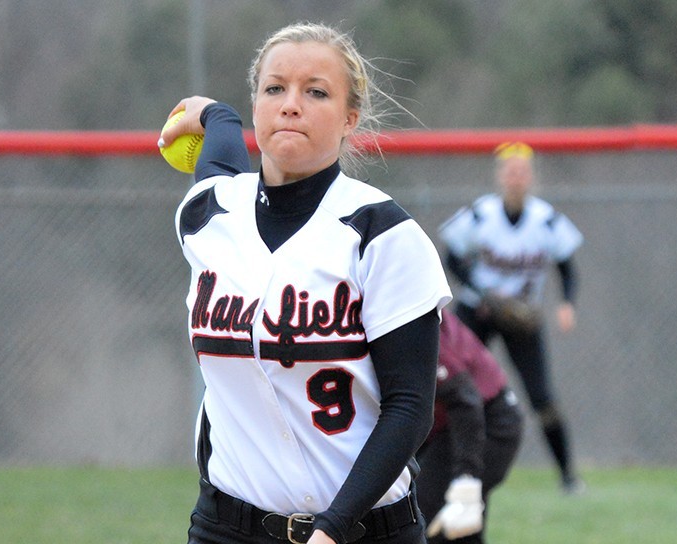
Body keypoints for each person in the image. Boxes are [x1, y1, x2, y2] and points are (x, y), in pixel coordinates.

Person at [160, 22, 453, 544]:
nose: (290, 105)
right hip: (226, 526)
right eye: (275, 89)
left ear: (349, 119)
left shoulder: (381, 234)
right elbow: (220, 155)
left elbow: (410, 408)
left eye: (315, 91)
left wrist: (333, 531)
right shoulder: (209, 214)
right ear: (256, 106)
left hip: (366, 530)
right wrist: (215, 115)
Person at [437, 142, 585, 494]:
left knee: (542, 397)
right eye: (510, 170)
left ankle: (568, 477)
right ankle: (429, 463)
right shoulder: (481, 214)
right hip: (479, 310)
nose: (516, 177)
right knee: (446, 384)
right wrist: (483, 292)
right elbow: (452, 256)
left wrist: (566, 302)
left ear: (530, 177)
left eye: (522, 170)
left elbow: (567, 268)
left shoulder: (545, 220)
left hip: (523, 317)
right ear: (500, 176)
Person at [415, 311, 522, 543]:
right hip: (449, 425)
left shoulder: (412, 319)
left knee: (419, 518)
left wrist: (466, 480)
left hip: (487, 422)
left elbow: (465, 399)